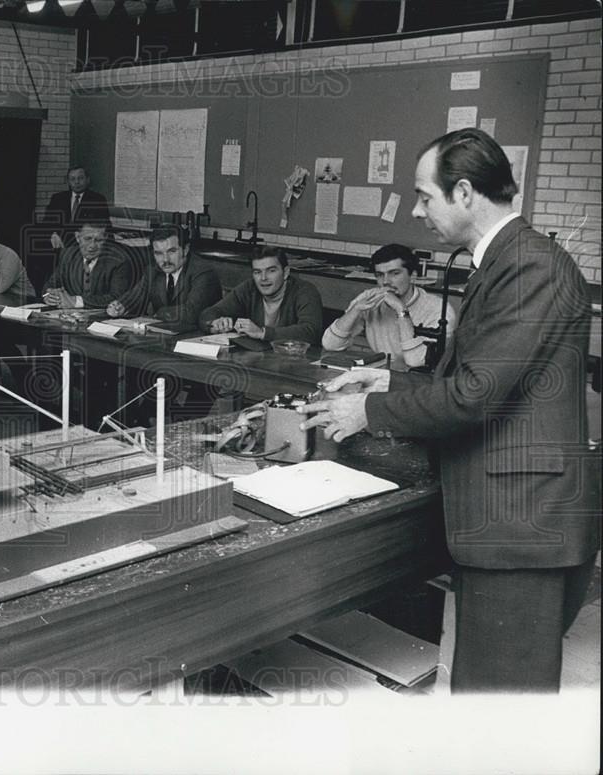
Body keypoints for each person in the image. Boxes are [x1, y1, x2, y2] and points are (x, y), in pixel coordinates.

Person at [298, 128, 598, 694]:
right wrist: (389, 376)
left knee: (499, 702)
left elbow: (475, 396)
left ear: (464, 193)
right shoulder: (506, 260)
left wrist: (369, 410)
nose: (417, 210)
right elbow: (487, 377)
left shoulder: (529, 266)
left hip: (521, 522)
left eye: (423, 196)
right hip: (508, 517)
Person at [322, 243, 458, 370]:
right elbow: (330, 345)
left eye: (395, 273)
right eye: (380, 275)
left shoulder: (438, 309)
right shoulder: (369, 298)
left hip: (421, 381)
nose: (386, 281)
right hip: (383, 374)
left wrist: (401, 310)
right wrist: (355, 310)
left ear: (413, 276)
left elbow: (416, 362)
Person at [199, 247, 322, 344]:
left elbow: (311, 331)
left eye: (271, 271)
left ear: (285, 273)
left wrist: (262, 333)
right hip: (259, 360)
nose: (263, 278)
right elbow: (208, 314)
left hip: (296, 364)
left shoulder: (305, 291)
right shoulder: (249, 288)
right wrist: (215, 324)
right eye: (257, 272)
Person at [107, 226, 221, 329]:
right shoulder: (153, 271)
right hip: (165, 333)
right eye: (159, 253)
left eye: (171, 251)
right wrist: (120, 306)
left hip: (196, 337)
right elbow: (136, 297)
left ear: (185, 250)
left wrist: (157, 314)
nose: (165, 260)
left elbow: (191, 313)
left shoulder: (203, 272)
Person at [43, 221, 130, 309]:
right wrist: (49, 296)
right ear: (77, 237)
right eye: (87, 239)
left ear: (106, 238)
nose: (92, 245)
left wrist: (77, 301)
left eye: (99, 240)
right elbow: (51, 284)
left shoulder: (118, 261)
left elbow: (117, 298)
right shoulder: (68, 255)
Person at [44, 166, 111, 250]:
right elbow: (47, 222)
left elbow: (104, 225)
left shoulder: (97, 199)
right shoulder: (57, 198)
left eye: (80, 178)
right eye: (72, 179)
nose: (77, 182)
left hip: (84, 243)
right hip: (59, 242)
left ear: (87, 180)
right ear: (68, 181)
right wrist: (53, 234)